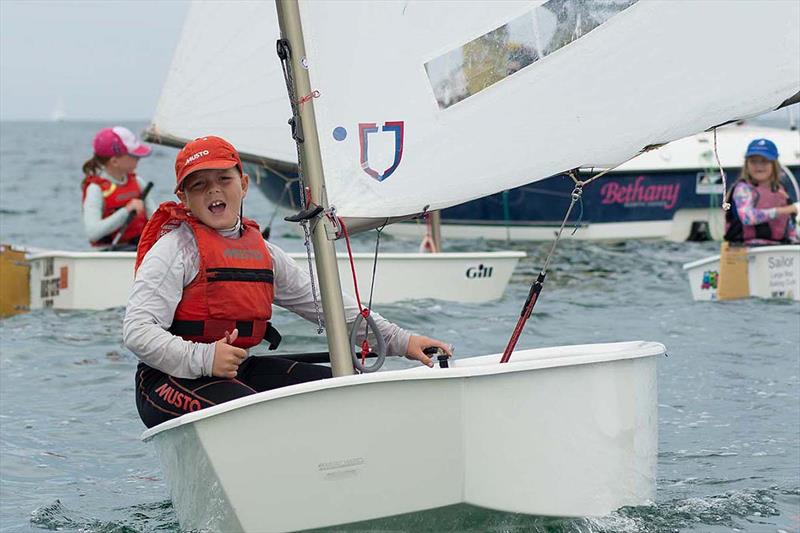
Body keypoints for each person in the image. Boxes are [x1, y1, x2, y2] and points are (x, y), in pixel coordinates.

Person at [124, 135, 452, 428]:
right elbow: (137, 331)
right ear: (183, 198)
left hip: (236, 369)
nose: (213, 189)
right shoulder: (175, 250)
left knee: (347, 388)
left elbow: (332, 310)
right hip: (166, 379)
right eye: (198, 185)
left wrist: (402, 341)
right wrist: (204, 358)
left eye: (224, 178)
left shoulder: (265, 254)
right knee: (249, 412)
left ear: (245, 184)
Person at [81, 127, 156, 250]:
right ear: (115, 161)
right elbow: (92, 233)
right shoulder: (95, 189)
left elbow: (155, 219)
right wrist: (126, 211)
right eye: (134, 156)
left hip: (139, 250)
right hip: (110, 254)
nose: (139, 159)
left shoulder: (138, 182)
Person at [724, 138, 799, 245]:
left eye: (764, 161)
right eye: (753, 161)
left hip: (779, 248)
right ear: (747, 164)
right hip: (743, 249)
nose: (758, 166)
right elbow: (747, 217)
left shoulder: (780, 190)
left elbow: (790, 224)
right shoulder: (743, 189)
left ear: (774, 164)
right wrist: (781, 210)